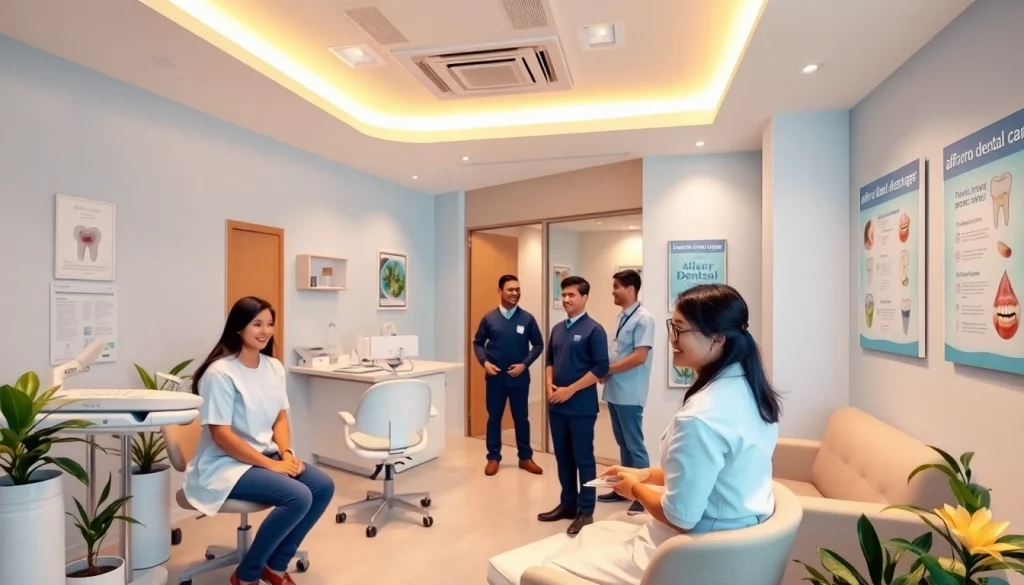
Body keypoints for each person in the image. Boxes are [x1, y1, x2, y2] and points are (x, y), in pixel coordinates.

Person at [535, 283, 782, 583]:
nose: (671, 339)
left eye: (680, 330)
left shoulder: (700, 419)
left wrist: (634, 489)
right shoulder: (748, 391)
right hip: (729, 537)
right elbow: (709, 474)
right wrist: (643, 475)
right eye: (671, 326)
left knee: (554, 561)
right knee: (593, 535)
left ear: (717, 338)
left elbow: (681, 517)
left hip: (690, 554)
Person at [183, 296, 335, 585]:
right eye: (257, 324)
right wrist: (271, 465)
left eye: (270, 324)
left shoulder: (273, 367)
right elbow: (222, 436)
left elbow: (280, 418)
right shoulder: (220, 373)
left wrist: (287, 453)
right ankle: (247, 574)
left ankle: (275, 566)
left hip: (266, 457)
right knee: (298, 496)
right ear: (239, 327)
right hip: (225, 463)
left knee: (323, 486)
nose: (265, 331)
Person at [540, 276, 610, 535]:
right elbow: (549, 360)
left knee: (583, 458)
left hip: (580, 406)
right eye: (564, 294)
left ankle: (585, 511)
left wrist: (570, 390)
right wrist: (549, 386)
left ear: (584, 298)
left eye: (572, 295)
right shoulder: (558, 328)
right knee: (563, 458)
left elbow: (601, 367)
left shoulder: (594, 330)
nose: (566, 299)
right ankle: (567, 504)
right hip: (556, 405)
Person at [472, 274, 545, 476]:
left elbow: (538, 345)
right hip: (495, 378)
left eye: (517, 290)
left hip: (519, 379)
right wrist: (484, 363)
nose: (515, 293)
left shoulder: (527, 318)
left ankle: (525, 457)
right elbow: (477, 343)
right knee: (494, 417)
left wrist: (524, 365)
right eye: (511, 290)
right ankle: (493, 457)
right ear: (500, 291)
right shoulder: (489, 318)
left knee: (521, 418)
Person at [599, 269, 655, 514]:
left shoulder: (644, 319)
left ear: (630, 289)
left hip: (630, 392)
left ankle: (644, 496)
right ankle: (624, 488)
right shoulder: (621, 317)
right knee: (622, 443)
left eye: (616, 287)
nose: (613, 291)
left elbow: (639, 357)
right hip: (614, 390)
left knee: (635, 445)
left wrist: (608, 369)